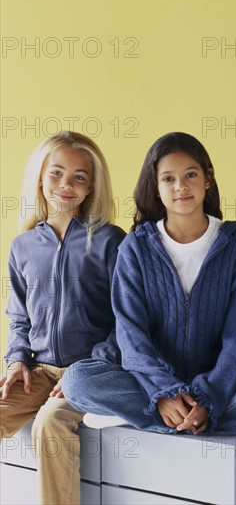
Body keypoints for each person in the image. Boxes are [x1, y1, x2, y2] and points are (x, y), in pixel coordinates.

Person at [62, 131, 236, 436]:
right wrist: (163, 392)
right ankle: (184, 418)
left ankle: (167, 417)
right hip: (153, 383)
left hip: (221, 383)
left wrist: (210, 396)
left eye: (190, 174)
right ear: (156, 187)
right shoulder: (135, 248)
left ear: (207, 179)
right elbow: (131, 333)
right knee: (77, 381)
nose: (180, 187)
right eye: (168, 179)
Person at [0, 131, 126, 505]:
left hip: (92, 373)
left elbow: (128, 319)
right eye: (56, 173)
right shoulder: (22, 246)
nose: (66, 185)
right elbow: (19, 316)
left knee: (50, 423)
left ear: (92, 187)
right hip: (40, 370)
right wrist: (17, 359)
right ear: (40, 177)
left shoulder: (109, 242)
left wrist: (91, 367)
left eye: (79, 177)